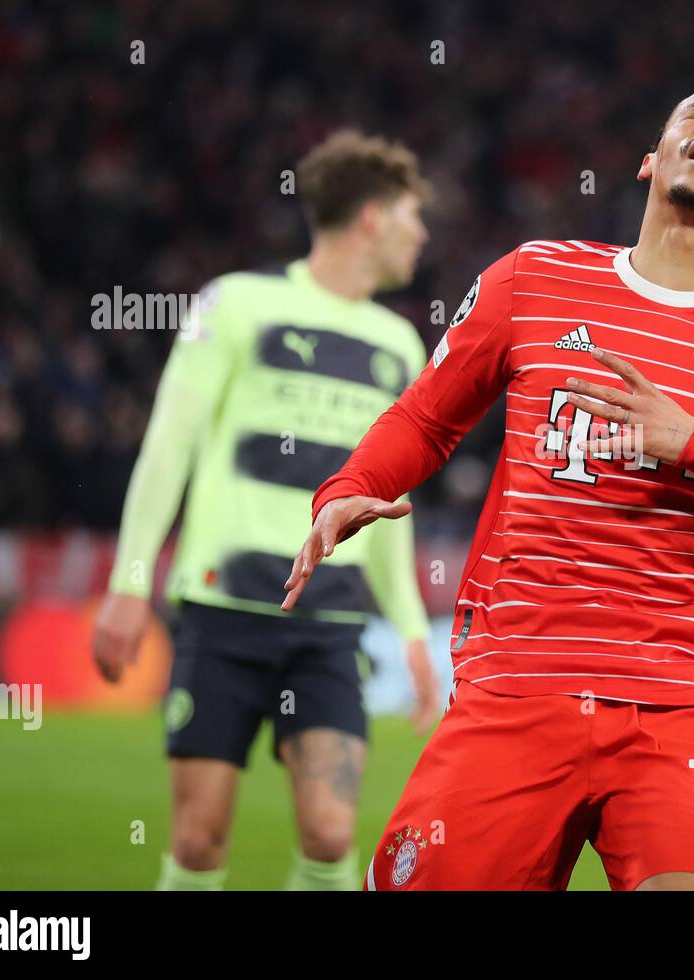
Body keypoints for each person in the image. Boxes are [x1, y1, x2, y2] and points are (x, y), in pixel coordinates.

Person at [283, 86, 694, 890]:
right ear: (651, 159)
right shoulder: (533, 277)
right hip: (516, 686)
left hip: (686, 706)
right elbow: (426, 419)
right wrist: (349, 488)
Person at [93, 130, 440, 891]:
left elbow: (382, 507)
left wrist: (414, 633)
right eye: (413, 216)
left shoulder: (401, 344)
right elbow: (167, 450)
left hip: (330, 625)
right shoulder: (238, 303)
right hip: (224, 610)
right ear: (373, 219)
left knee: (329, 833)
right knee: (197, 841)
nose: (423, 234)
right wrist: (128, 583)